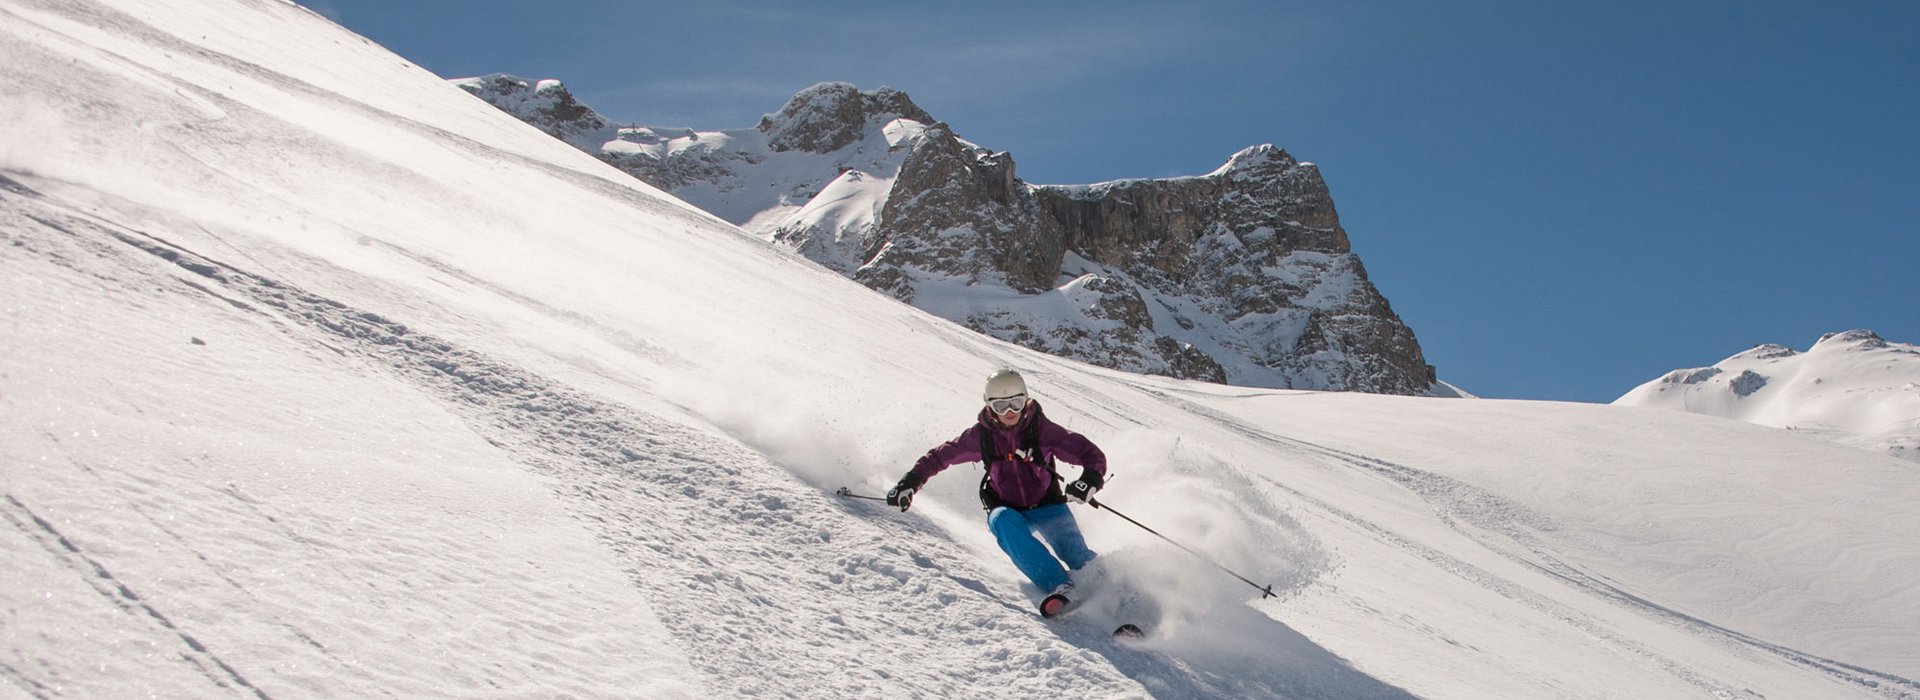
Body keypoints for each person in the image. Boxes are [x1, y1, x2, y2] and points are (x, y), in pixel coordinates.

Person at [887, 369, 1108, 617]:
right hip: (1008, 508)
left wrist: (1089, 480)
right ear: (990, 406)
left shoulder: (1042, 431)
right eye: (1001, 405)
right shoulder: (981, 437)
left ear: (1026, 399)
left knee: (1076, 554)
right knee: (1001, 521)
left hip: (1047, 504)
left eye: (1016, 402)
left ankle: (1113, 589)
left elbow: (1090, 454)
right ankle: (1059, 584)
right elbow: (940, 456)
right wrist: (911, 481)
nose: (1010, 412)